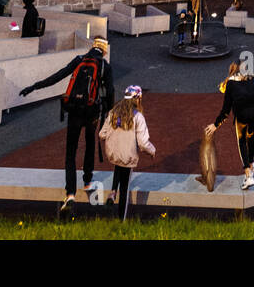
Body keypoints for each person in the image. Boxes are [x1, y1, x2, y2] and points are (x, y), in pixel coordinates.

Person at [19, 37, 114, 215]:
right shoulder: (104, 66)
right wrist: (108, 111)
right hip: (92, 111)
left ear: (93, 47)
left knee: (70, 152)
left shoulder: (79, 60)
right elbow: (110, 92)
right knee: (90, 145)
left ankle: (70, 194)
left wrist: (34, 87)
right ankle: (87, 180)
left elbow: (58, 76)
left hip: (74, 111)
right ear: (104, 50)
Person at [204, 61, 254, 190]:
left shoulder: (231, 84)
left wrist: (216, 125)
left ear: (232, 70)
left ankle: (248, 175)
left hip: (242, 115)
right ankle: (252, 163)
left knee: (242, 141)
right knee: (251, 136)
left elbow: (226, 110)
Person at [98, 85, 156, 221]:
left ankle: (113, 192)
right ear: (137, 99)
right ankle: (121, 221)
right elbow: (143, 143)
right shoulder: (138, 116)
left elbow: (102, 134)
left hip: (112, 153)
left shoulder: (113, 112)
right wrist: (152, 151)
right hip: (127, 156)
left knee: (118, 162)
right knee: (125, 187)